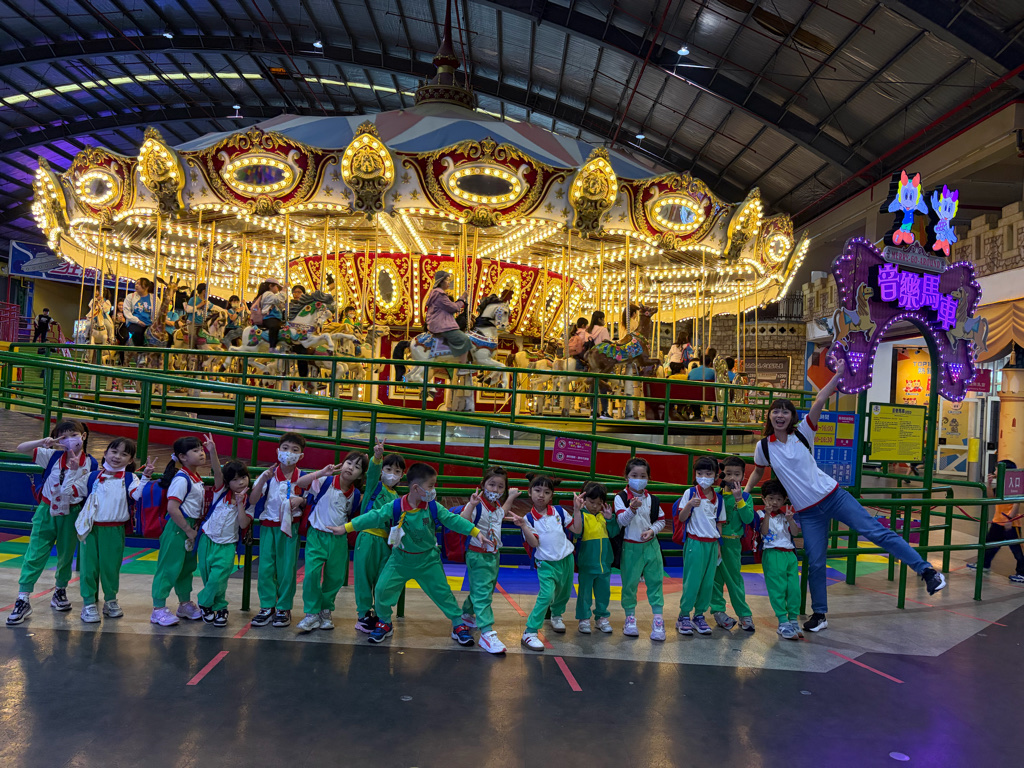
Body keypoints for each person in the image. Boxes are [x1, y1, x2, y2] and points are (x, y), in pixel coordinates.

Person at [744, 360, 946, 634]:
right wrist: (744, 494)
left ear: (792, 417)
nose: (780, 415)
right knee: (815, 562)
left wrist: (838, 374)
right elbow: (758, 471)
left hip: (834, 496)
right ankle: (820, 614)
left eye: (785, 411)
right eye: (775, 411)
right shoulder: (763, 447)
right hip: (808, 512)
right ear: (769, 416)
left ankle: (927, 572)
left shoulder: (803, 433)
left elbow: (820, 399)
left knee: (876, 531)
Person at [334, 463, 495, 647]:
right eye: (431, 486)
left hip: (428, 561)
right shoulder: (395, 506)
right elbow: (373, 516)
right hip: (400, 560)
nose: (433, 490)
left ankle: (458, 624)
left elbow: (453, 520)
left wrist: (475, 532)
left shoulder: (433, 507)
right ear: (416, 488)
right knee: (381, 590)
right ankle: (385, 622)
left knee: (443, 594)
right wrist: (346, 528)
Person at [6, 421, 96, 626]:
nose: (69, 440)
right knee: (35, 553)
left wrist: (76, 471)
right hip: (46, 510)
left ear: (83, 436)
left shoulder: (90, 463)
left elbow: (89, 488)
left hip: (72, 512)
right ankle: (23, 598)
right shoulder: (51, 456)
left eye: (73, 434)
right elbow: (21, 448)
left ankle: (60, 591)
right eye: (63, 437)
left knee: (66, 554)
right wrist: (43, 442)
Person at [75, 439, 155, 623]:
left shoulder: (130, 478)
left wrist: (145, 478)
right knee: (88, 568)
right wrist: (72, 471)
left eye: (124, 454)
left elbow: (137, 495)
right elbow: (70, 492)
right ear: (105, 453)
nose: (117, 457)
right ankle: (88, 603)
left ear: (130, 460)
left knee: (111, 568)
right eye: (114, 451)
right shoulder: (91, 476)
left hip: (114, 530)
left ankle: (110, 600)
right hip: (90, 529)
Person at [293, 451, 369, 633]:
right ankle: (311, 613)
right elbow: (300, 483)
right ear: (342, 464)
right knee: (311, 574)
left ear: (360, 475)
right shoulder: (324, 481)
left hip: (338, 539)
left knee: (335, 577)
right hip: (316, 536)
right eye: (349, 463)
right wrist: (321, 472)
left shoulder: (355, 494)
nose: (351, 468)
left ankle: (325, 611)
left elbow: (349, 514)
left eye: (357, 467)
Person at [150, 435, 215, 627]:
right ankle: (158, 608)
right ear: (182, 457)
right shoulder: (181, 479)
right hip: (178, 528)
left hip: (190, 528)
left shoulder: (195, 477)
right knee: (168, 568)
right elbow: (172, 508)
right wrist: (187, 529)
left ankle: (184, 604)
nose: (201, 453)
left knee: (186, 568)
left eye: (201, 449)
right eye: (195, 450)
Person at [512, 474, 580, 651]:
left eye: (546, 492)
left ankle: (556, 615)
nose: (541, 495)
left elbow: (577, 529)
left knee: (564, 593)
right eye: (537, 490)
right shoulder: (528, 519)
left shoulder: (559, 511)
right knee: (547, 595)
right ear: (530, 492)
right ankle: (530, 631)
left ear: (552, 495)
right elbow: (534, 543)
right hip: (545, 563)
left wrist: (577, 509)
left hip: (566, 559)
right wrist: (524, 526)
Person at [247, 432, 308, 628]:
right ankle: (266, 606)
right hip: (268, 526)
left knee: (287, 569)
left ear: (301, 455)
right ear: (278, 450)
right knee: (266, 568)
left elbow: (310, 500)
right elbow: (252, 500)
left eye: (294, 450)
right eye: (285, 448)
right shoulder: (269, 475)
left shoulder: (303, 478)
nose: (289, 453)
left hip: (291, 528)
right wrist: (262, 480)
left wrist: (302, 500)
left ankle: (283, 608)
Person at [459, 466, 516, 654]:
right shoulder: (478, 505)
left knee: (484, 589)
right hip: (478, 554)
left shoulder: (497, 506)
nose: (495, 490)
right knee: (483, 593)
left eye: (500, 487)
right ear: (483, 484)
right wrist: (471, 505)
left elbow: (502, 514)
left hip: (493, 555)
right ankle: (486, 632)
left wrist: (510, 498)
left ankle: (467, 614)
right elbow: (463, 520)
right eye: (492, 485)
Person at [352, 440, 405, 633]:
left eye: (397, 471)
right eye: (388, 469)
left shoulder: (398, 498)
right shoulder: (375, 486)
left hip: (386, 542)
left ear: (402, 475)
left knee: (384, 580)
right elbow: (373, 472)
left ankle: (381, 614)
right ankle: (363, 615)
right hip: (367, 537)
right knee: (364, 578)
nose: (392, 474)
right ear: (382, 470)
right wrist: (377, 456)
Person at [613, 457, 667, 640]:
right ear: (626, 477)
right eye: (634, 475)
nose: (639, 479)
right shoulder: (620, 498)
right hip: (630, 548)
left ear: (648, 478)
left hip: (651, 546)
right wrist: (632, 509)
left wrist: (652, 531)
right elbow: (621, 521)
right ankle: (630, 618)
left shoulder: (652, 499)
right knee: (629, 584)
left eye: (643, 476)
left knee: (655, 581)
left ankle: (658, 620)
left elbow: (661, 520)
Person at [196, 459, 253, 627]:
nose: (240, 482)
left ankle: (204, 602)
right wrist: (212, 450)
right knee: (209, 577)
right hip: (207, 540)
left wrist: (241, 503)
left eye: (243, 477)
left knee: (218, 578)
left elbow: (243, 524)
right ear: (228, 482)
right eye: (235, 479)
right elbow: (216, 470)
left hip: (228, 545)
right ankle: (220, 607)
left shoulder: (250, 500)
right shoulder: (220, 491)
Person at [676, 456, 728, 636]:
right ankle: (683, 615)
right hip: (695, 543)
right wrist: (689, 505)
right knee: (692, 582)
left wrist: (719, 546)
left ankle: (699, 615)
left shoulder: (718, 499)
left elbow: (719, 524)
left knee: (707, 583)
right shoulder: (690, 493)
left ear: (716, 476)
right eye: (700, 473)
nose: (704, 477)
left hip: (712, 545)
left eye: (708, 473)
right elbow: (681, 518)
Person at [710, 456, 756, 631]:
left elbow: (748, 518)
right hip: (714, 543)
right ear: (722, 474)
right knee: (714, 580)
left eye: (737, 474)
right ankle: (718, 612)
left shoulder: (745, 497)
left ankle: (744, 614)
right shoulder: (715, 494)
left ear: (743, 476)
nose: (732, 477)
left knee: (734, 580)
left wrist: (739, 500)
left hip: (733, 544)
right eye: (728, 473)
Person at [757, 479, 804, 640]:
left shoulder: (785, 515)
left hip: (790, 554)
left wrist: (790, 519)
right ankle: (783, 621)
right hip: (773, 553)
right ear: (764, 499)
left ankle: (793, 618)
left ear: (784, 500)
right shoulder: (761, 515)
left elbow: (795, 533)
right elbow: (763, 532)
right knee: (778, 588)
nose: (775, 502)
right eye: (771, 498)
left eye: (779, 499)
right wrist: (767, 514)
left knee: (794, 588)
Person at [967, 462, 1024, 582]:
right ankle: (984, 564)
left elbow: (1016, 502)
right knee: (989, 544)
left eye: (997, 469)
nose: (994, 471)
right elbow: (991, 498)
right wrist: (988, 484)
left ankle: (1022, 573)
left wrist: (1010, 518)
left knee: (1016, 548)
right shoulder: (1000, 484)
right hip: (997, 521)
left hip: (1011, 523)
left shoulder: (1014, 485)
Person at [575, 482, 619, 635]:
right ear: (584, 500)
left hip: (605, 564)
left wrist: (610, 519)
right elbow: (575, 532)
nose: (595, 506)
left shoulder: (604, 516)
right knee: (584, 594)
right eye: (592, 502)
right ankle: (584, 618)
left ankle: (602, 617)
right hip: (587, 563)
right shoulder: (581, 515)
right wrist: (577, 511)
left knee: (603, 594)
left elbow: (613, 533)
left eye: (599, 503)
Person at [424, 270, 470, 364]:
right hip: (442, 325)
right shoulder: (440, 294)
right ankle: (463, 367)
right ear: (441, 281)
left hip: (438, 324)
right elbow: (454, 308)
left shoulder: (436, 293)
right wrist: (463, 298)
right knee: (465, 339)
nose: (449, 282)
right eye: (447, 280)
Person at [587, 311, 612, 418]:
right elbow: (606, 346)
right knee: (603, 385)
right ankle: (604, 411)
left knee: (592, 386)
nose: (604, 321)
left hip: (591, 360)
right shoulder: (603, 330)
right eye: (603, 318)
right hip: (601, 360)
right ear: (599, 319)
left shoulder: (588, 330)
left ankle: (593, 410)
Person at [122, 278, 154, 347]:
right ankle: (140, 350)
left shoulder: (154, 299)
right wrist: (137, 321)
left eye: (139, 284)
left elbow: (158, 311)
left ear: (146, 287)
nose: (136, 285)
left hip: (150, 324)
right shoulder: (131, 297)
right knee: (138, 332)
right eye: (136, 283)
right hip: (135, 323)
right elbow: (126, 311)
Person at [257, 278, 287, 349]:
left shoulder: (271, 295)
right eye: (277, 287)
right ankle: (272, 347)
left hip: (274, 317)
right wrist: (284, 290)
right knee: (274, 326)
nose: (278, 289)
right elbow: (279, 299)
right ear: (270, 286)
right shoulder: (267, 294)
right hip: (269, 317)